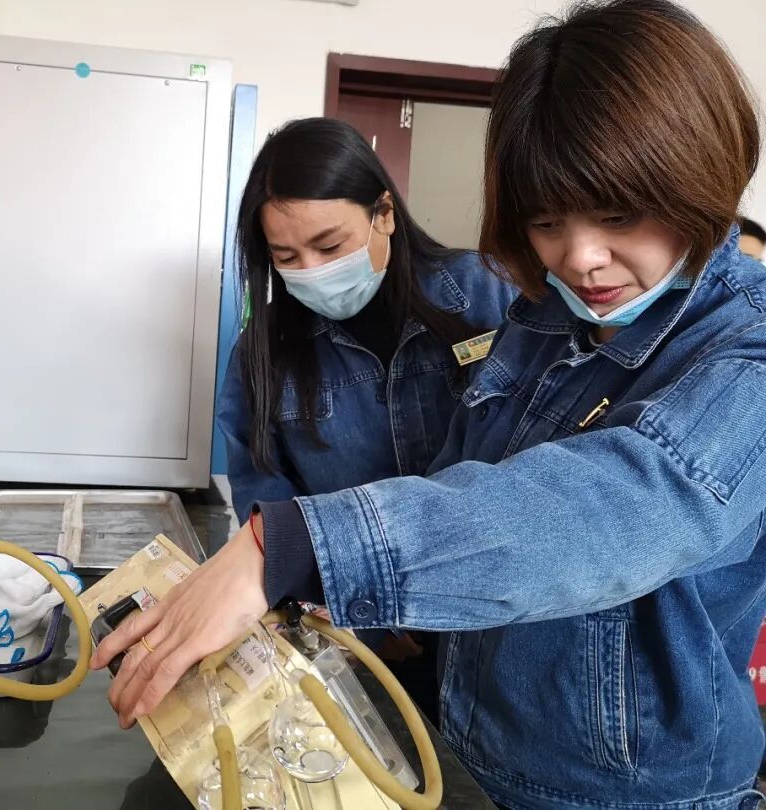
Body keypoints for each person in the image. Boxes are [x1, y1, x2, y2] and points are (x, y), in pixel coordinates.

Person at [93, 1, 766, 808]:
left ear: (700, 170)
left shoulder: (747, 350)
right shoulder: (544, 319)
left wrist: (299, 548)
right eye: (547, 222)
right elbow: (459, 474)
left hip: (624, 789)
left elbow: (606, 510)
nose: (582, 258)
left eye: (619, 215)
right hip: (469, 740)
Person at [214, 117, 517, 718]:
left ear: (385, 213)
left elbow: (536, 459)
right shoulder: (265, 352)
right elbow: (264, 497)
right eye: (286, 256)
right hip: (369, 642)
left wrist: (424, 592)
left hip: (500, 627)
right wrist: (351, 610)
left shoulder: (490, 295)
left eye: (329, 247)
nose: (311, 270)